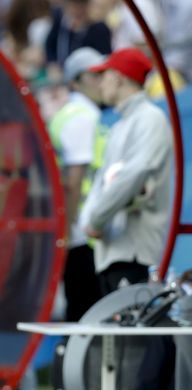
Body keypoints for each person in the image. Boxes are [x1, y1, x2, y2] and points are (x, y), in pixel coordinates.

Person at [80, 47, 171, 295]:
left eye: (104, 76)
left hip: (134, 252)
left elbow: (134, 174)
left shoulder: (150, 118)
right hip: (114, 252)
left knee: (135, 320)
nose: (100, 84)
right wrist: (91, 220)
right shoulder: (121, 125)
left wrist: (95, 219)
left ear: (118, 77)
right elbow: (103, 182)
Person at [48, 47, 105, 321]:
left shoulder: (70, 113)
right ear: (76, 81)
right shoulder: (83, 116)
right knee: (85, 311)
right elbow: (74, 179)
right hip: (81, 227)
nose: (102, 81)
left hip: (76, 224)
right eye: (94, 75)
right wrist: (68, 231)